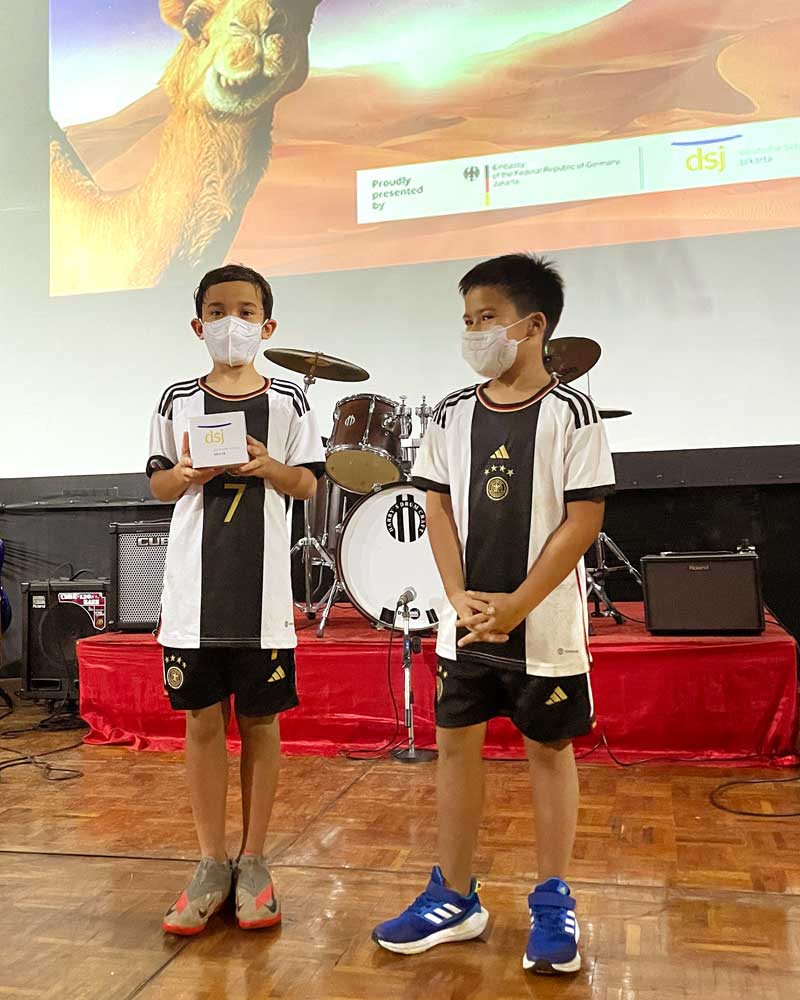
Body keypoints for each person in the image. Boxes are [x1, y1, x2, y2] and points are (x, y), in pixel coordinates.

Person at [372, 253, 615, 974]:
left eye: (489, 318)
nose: (475, 332)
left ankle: (553, 899)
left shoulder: (573, 410)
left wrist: (520, 601)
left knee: (548, 750)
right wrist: (456, 596)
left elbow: (583, 518)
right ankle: (453, 896)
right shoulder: (451, 412)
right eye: (468, 321)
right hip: (467, 623)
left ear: (534, 326)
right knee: (454, 746)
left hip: (543, 627)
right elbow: (437, 506)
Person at [146, 263, 325, 935]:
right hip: (192, 595)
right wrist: (189, 472)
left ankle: (254, 860)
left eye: (246, 311)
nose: (233, 322)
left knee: (260, 722)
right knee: (199, 724)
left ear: (267, 325)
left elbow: (307, 484)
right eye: (219, 311)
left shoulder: (290, 402)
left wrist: (264, 465)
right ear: (199, 326)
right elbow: (160, 485)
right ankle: (209, 860)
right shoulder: (175, 399)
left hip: (265, 600)